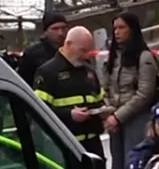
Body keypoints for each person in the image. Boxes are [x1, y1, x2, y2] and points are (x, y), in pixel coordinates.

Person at [103, 11, 159, 169]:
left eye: (122, 28)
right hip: (115, 118)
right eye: (115, 29)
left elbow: (145, 94)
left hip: (136, 118)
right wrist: (108, 112)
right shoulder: (112, 58)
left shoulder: (144, 57)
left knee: (134, 163)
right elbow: (106, 88)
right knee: (117, 167)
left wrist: (118, 117)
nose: (117, 32)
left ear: (132, 29)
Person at [33, 26, 106, 159]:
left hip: (93, 145)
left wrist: (102, 111)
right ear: (68, 44)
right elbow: (39, 111)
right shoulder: (48, 72)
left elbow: (99, 99)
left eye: (88, 51)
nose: (85, 56)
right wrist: (69, 115)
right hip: (64, 145)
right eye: (82, 50)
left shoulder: (89, 71)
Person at [17, 11, 68, 84]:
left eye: (63, 28)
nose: (60, 33)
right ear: (45, 31)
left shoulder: (73, 50)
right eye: (55, 29)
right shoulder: (33, 53)